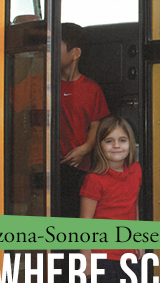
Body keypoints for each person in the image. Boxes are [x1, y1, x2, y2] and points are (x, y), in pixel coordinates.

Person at [77, 116, 150, 283]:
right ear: (99, 146)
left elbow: (134, 206)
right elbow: (84, 223)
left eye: (122, 140)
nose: (116, 146)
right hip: (100, 253)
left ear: (131, 145)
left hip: (127, 250)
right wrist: (86, 257)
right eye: (109, 141)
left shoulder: (136, 171)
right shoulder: (94, 180)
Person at [59, 22, 110, 218]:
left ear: (75, 53)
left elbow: (97, 124)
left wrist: (85, 148)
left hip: (77, 166)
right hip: (43, 166)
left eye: (56, 46)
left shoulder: (91, 89)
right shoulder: (40, 82)